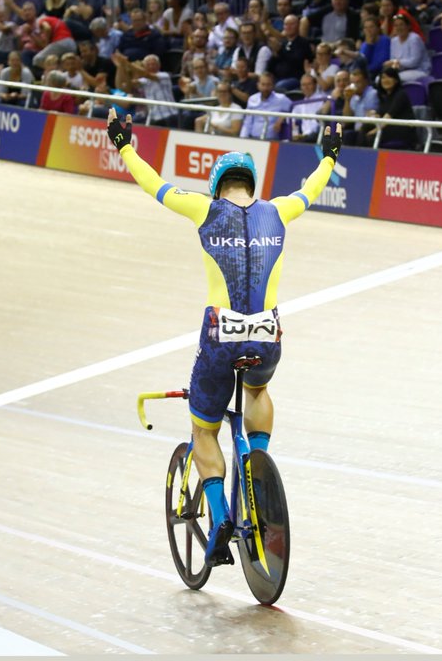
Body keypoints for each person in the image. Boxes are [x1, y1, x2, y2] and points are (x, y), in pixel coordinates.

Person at [104, 106, 342, 567]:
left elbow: (155, 185)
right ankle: (258, 466)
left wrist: (124, 146)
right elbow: (312, 189)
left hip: (220, 335)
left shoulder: (205, 208)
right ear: (251, 184)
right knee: (258, 389)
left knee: (203, 427)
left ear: (217, 186)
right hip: (268, 333)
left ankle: (219, 518)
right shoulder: (279, 210)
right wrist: (329, 156)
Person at [240, 72, 294, 140]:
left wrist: (282, 118)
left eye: (268, 85)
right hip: (253, 139)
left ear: (273, 85)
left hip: (273, 140)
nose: (265, 88)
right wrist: (243, 138)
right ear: (258, 85)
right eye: (263, 84)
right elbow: (248, 122)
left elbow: (295, 109)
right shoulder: (252, 99)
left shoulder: (281, 99)